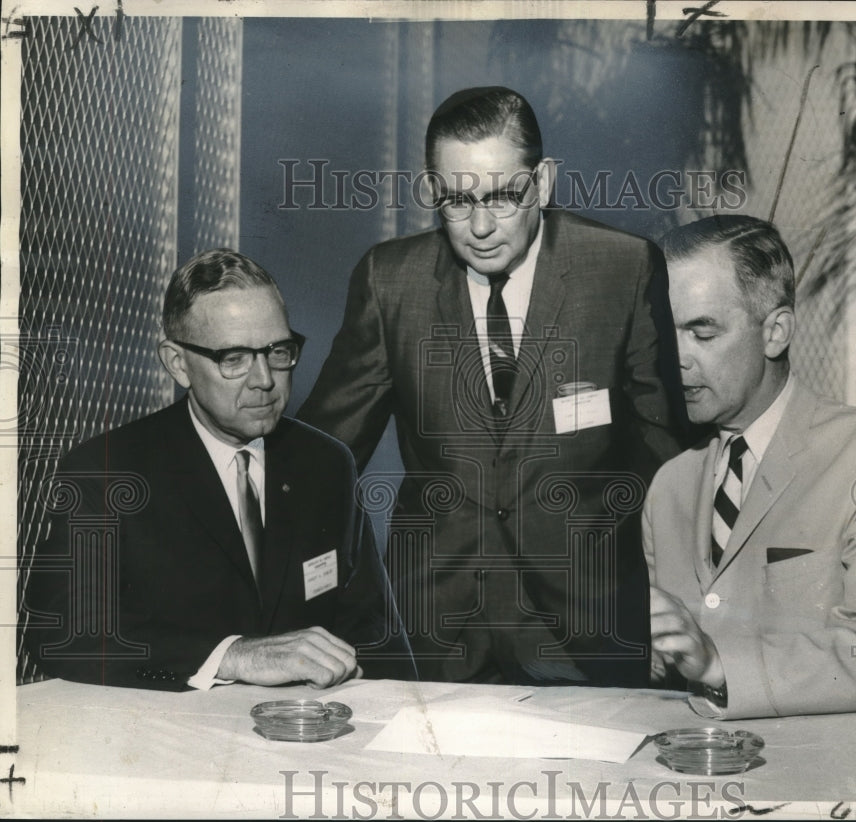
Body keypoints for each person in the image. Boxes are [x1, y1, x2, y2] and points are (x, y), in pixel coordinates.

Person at [298, 87, 685, 686]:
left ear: (545, 183)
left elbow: (668, 464)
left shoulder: (622, 268)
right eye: (456, 200)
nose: (480, 226)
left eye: (505, 195)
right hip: (432, 630)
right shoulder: (389, 280)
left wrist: (674, 607)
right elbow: (321, 460)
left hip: (591, 624)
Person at [23, 249, 413, 691]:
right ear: (177, 363)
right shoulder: (105, 471)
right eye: (234, 358)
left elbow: (378, 639)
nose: (264, 378)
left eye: (277, 350)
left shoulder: (327, 463)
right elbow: (62, 638)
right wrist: (233, 655)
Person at [644, 215, 856, 718]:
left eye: (702, 331)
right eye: (664, 332)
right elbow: (661, 664)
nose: (676, 357)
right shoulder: (669, 483)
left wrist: (717, 662)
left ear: (776, 331)